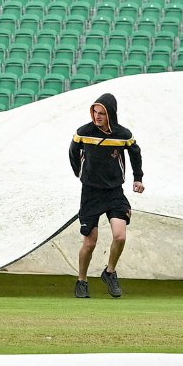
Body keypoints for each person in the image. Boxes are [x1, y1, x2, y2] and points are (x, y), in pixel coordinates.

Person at [68, 92, 144, 299]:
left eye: (102, 113)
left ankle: (109, 272)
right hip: (91, 193)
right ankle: (81, 280)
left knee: (120, 236)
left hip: (114, 192)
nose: (97, 116)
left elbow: (135, 153)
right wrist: (79, 173)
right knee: (90, 243)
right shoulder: (84, 132)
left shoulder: (123, 134)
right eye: (95, 112)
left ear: (110, 113)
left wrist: (138, 178)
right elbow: (73, 151)